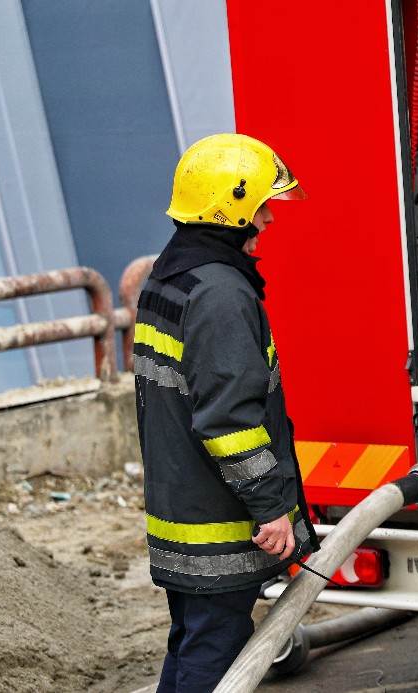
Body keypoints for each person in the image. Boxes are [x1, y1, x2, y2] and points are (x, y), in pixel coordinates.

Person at [133, 133, 317, 692]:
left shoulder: (171, 277)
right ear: (229, 210)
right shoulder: (219, 294)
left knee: (193, 647)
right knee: (213, 664)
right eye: (260, 206)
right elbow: (229, 423)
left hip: (182, 516)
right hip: (218, 527)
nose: (268, 221)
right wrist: (272, 509)